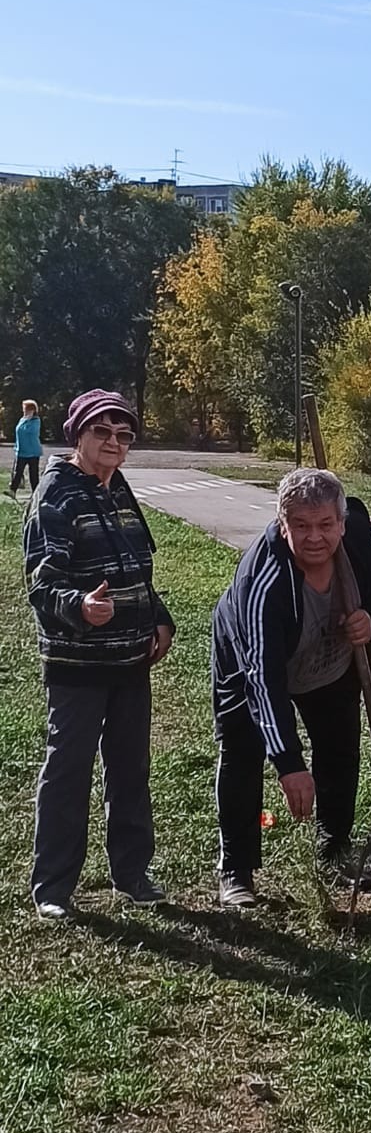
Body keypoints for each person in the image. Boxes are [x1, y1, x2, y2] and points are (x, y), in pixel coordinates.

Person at [212, 469, 371, 908]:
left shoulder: (361, 540)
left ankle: (333, 849)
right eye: (300, 525)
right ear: (283, 524)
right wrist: (288, 763)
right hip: (252, 661)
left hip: (330, 657)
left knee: (339, 748)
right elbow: (262, 678)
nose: (314, 537)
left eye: (324, 525)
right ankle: (236, 870)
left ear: (340, 522)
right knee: (242, 750)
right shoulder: (263, 585)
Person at [23, 389, 175, 919]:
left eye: (123, 435)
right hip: (78, 665)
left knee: (130, 767)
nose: (114, 443)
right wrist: (80, 607)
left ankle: (133, 873)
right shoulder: (57, 494)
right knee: (69, 770)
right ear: (78, 436)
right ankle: (53, 887)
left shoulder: (118, 487)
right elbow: (42, 582)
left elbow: (136, 564)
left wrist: (159, 616)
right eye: (102, 432)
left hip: (131, 660)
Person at [10, 399, 43, 497]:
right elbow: (18, 432)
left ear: (32, 410)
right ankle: (13, 491)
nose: (24, 411)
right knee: (18, 472)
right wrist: (16, 447)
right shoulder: (22, 419)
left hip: (33, 452)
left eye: (26, 409)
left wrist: (28, 419)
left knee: (33, 474)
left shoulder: (36, 421)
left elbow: (31, 432)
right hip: (21, 451)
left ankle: (35, 494)